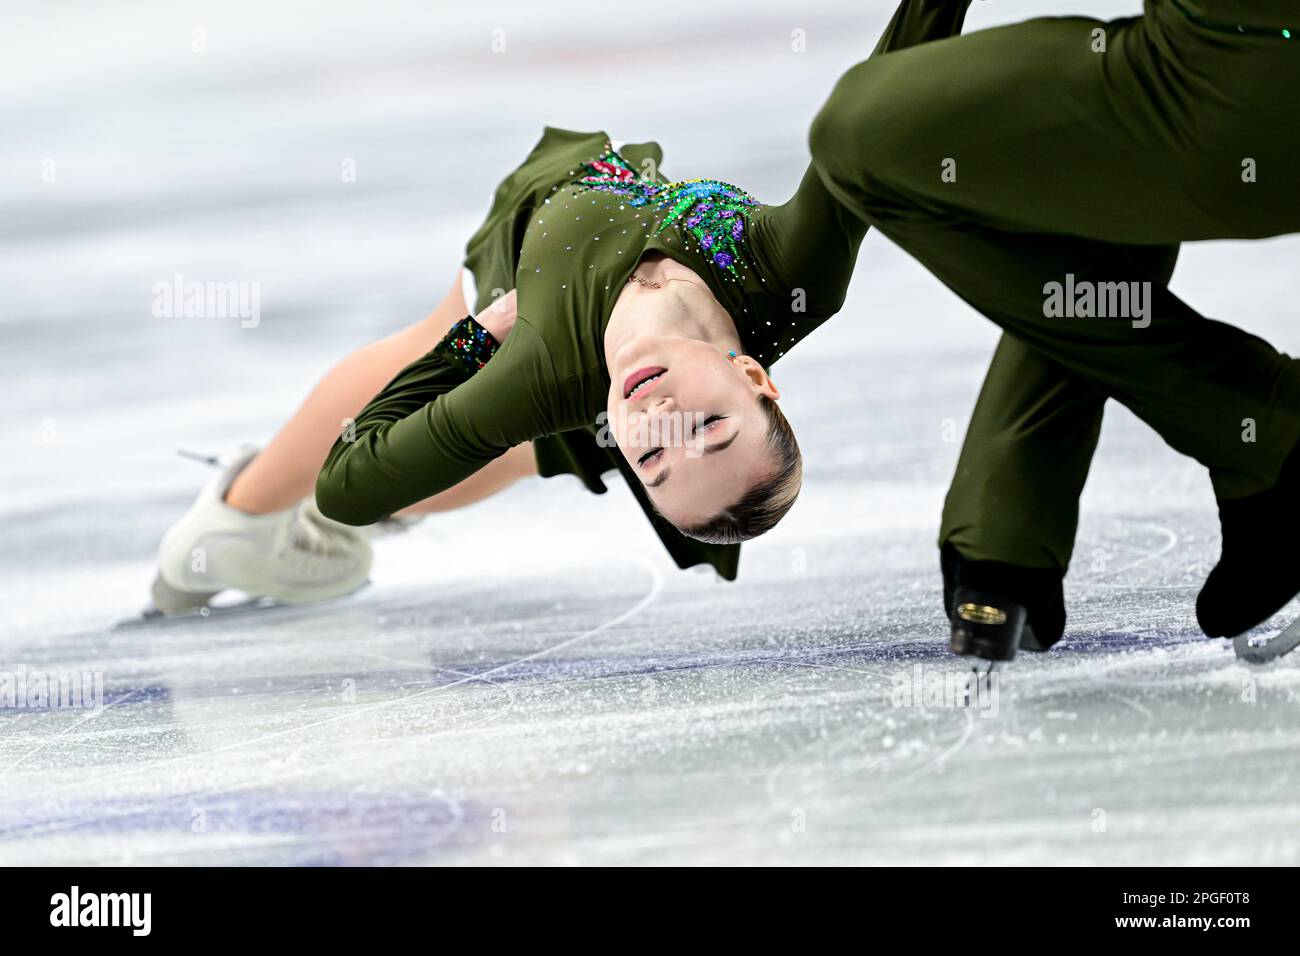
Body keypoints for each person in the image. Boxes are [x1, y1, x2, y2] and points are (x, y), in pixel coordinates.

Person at [807, 0, 1300, 658]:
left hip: (1238, 85)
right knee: (1067, 150)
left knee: (860, 138)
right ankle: (1004, 536)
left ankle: (1267, 427)